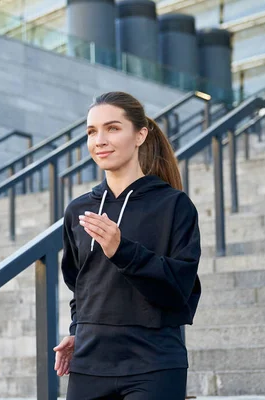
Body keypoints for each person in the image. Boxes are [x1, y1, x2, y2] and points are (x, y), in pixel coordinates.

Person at [53, 91, 202, 400]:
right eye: (92, 132)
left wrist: (122, 249)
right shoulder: (78, 210)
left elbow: (179, 289)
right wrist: (77, 330)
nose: (100, 140)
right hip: (89, 364)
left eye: (113, 128)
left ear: (140, 135)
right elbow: (80, 286)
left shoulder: (174, 205)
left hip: (154, 365)